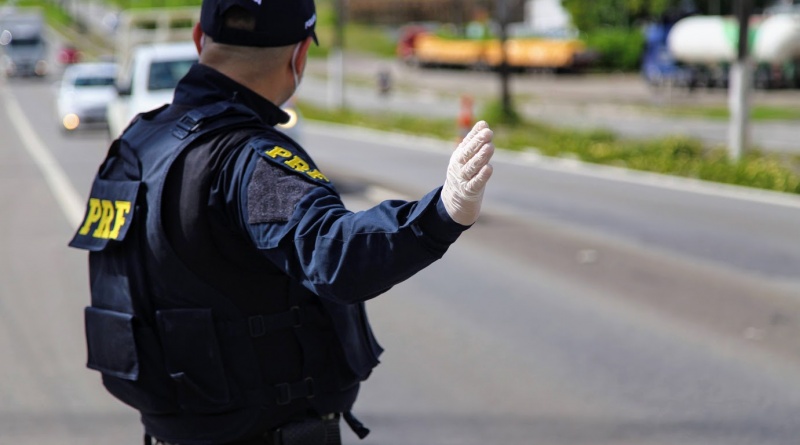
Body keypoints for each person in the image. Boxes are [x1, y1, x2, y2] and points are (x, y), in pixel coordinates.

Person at [68, 0, 495, 444]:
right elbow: (335, 254)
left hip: (169, 431)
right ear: (299, 58)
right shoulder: (248, 160)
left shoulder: (135, 145)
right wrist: (443, 212)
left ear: (199, 38)